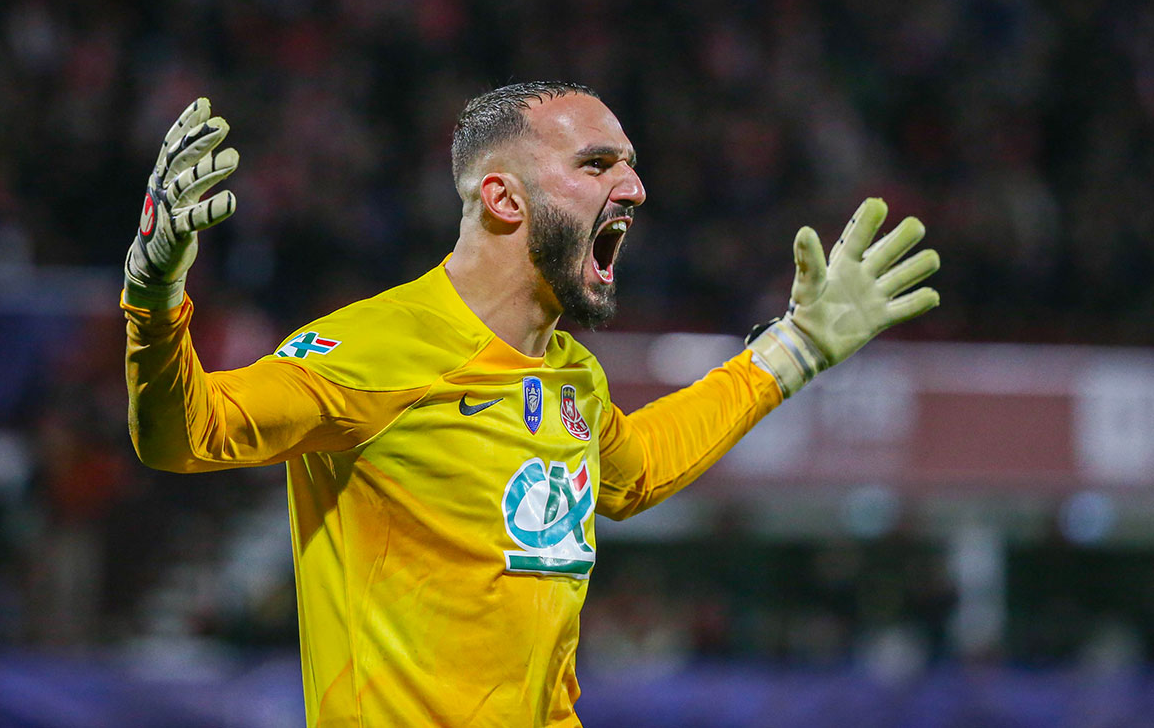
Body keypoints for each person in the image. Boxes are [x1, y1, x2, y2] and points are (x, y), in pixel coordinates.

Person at [122, 82, 939, 726]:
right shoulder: (374, 348)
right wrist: (154, 299)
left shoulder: (570, 375)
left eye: (630, 164)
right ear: (505, 199)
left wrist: (793, 349)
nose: (637, 188)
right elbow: (185, 433)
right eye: (597, 164)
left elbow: (636, 469)